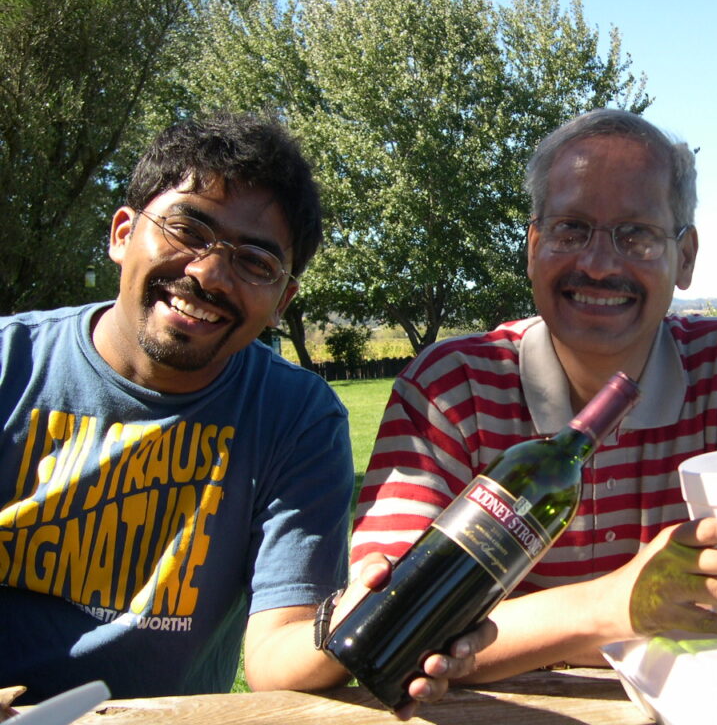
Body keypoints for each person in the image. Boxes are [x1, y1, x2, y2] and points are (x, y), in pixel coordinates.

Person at [0, 112, 492, 716]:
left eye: (254, 263)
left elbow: (276, 653)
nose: (207, 273)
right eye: (187, 229)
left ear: (282, 301)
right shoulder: (9, 365)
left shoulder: (297, 419)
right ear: (123, 233)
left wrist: (376, 613)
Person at [351, 108, 717, 682]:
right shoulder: (449, 389)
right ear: (533, 247)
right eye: (570, 229)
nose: (600, 264)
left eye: (637, 234)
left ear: (687, 257)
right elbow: (389, 624)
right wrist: (617, 606)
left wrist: (496, 637)